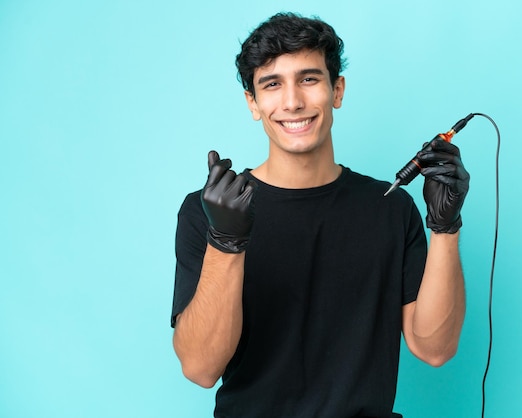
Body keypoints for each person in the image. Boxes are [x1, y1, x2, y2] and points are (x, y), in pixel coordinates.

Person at [171, 12, 469, 418]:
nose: (292, 101)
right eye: (272, 84)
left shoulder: (390, 206)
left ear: (337, 90)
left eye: (309, 79)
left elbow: (434, 348)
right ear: (253, 103)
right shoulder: (209, 209)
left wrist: (445, 227)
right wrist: (226, 241)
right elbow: (201, 369)